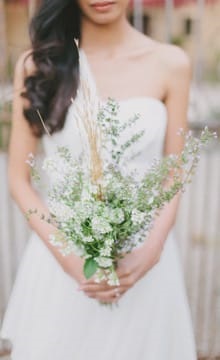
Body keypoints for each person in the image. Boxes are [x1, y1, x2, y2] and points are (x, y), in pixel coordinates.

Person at [0, 0, 197, 359]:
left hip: (145, 263)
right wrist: (70, 258)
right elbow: (18, 179)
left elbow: (174, 171)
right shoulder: (38, 64)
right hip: (61, 261)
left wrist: (151, 250)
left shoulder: (172, 64)